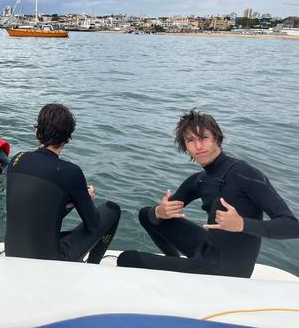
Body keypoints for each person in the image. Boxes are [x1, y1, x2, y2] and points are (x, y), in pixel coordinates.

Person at [116, 109, 299, 277]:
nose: (198, 145)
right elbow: (159, 216)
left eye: (203, 137)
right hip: (208, 250)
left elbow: (292, 226)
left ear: (217, 139)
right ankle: (174, 267)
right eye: (190, 140)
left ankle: (177, 271)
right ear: (185, 146)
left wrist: (242, 224)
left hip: (228, 270)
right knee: (146, 214)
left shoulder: (245, 175)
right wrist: (160, 212)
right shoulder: (199, 180)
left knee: (127, 259)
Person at [4, 103, 121, 263]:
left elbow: (37, 210)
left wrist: (72, 202)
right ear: (68, 138)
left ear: (36, 133)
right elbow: (93, 225)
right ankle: (93, 266)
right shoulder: (71, 172)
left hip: (12, 251)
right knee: (112, 210)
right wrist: (86, 200)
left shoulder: (16, 160)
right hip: (50, 261)